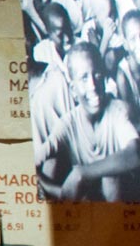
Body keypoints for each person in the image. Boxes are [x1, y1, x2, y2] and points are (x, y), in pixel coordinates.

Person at [40, 44, 140, 201]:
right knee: (50, 164)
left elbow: (135, 154)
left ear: (104, 78)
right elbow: (34, 161)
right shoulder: (68, 123)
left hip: (119, 201)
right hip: (87, 203)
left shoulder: (117, 110)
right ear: (73, 89)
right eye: (84, 78)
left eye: (97, 75)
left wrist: (82, 173)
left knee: (110, 179)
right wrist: (57, 190)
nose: (93, 86)